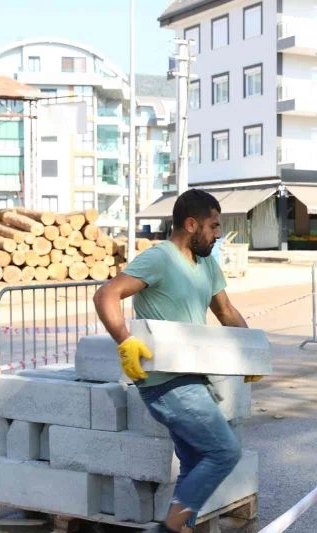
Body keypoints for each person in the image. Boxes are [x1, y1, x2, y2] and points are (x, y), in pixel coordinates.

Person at [93, 189, 261, 533]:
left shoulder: (207, 264)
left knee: (196, 460)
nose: (217, 235)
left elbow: (226, 311)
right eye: (213, 227)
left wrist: (252, 354)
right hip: (165, 382)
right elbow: (106, 294)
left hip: (192, 376)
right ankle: (171, 527)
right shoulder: (161, 258)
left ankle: (180, 528)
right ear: (191, 224)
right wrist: (125, 342)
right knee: (224, 452)